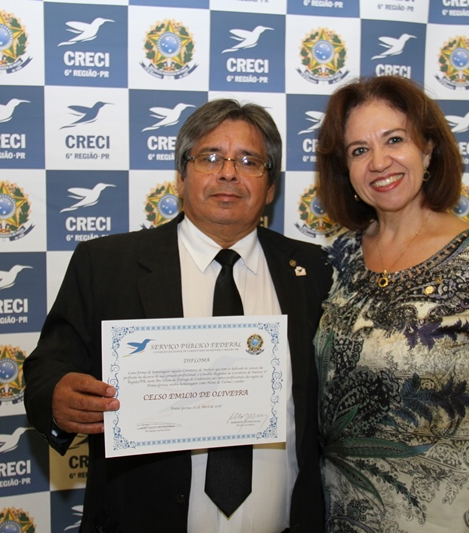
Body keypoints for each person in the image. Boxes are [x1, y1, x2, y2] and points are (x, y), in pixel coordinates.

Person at [24, 99, 332, 532]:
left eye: (249, 161)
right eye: (210, 157)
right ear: (182, 176)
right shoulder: (107, 264)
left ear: (271, 187)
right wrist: (58, 400)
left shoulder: (315, 271)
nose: (229, 173)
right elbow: (47, 368)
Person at [314, 76, 469, 533]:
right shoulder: (338, 258)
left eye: (394, 140)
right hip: (342, 518)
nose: (379, 162)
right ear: (345, 169)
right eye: (359, 150)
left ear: (427, 150)